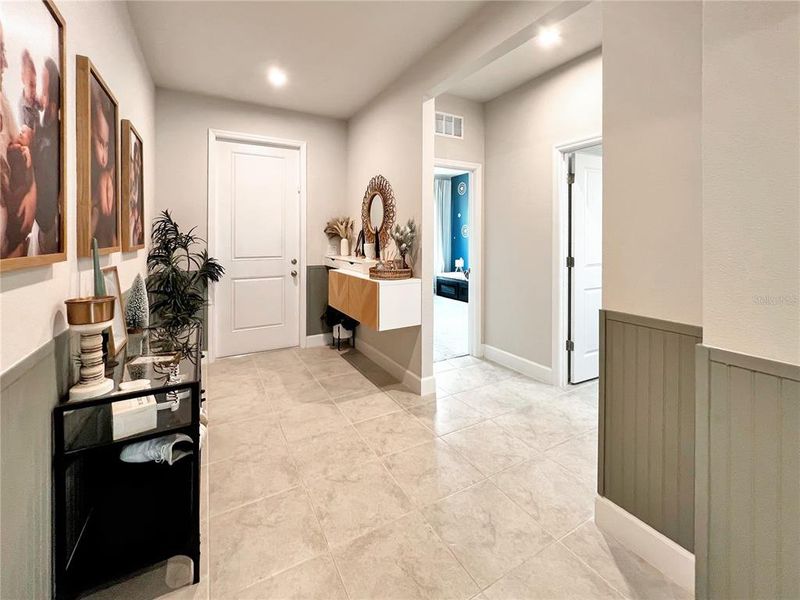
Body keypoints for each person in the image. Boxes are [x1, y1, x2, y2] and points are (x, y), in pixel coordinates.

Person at [32, 57, 61, 253]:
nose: (39, 93)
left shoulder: (58, 131)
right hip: (37, 216)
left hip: (50, 220)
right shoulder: (39, 127)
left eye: (43, 87)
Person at [91, 84, 116, 247]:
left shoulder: (106, 175)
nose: (104, 158)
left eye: (107, 146)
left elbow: (107, 210)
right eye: (100, 142)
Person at [18, 50, 40, 132]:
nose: (33, 90)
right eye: (31, 85)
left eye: (35, 85)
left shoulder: (34, 98)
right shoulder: (23, 108)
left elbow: (41, 106)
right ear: (23, 79)